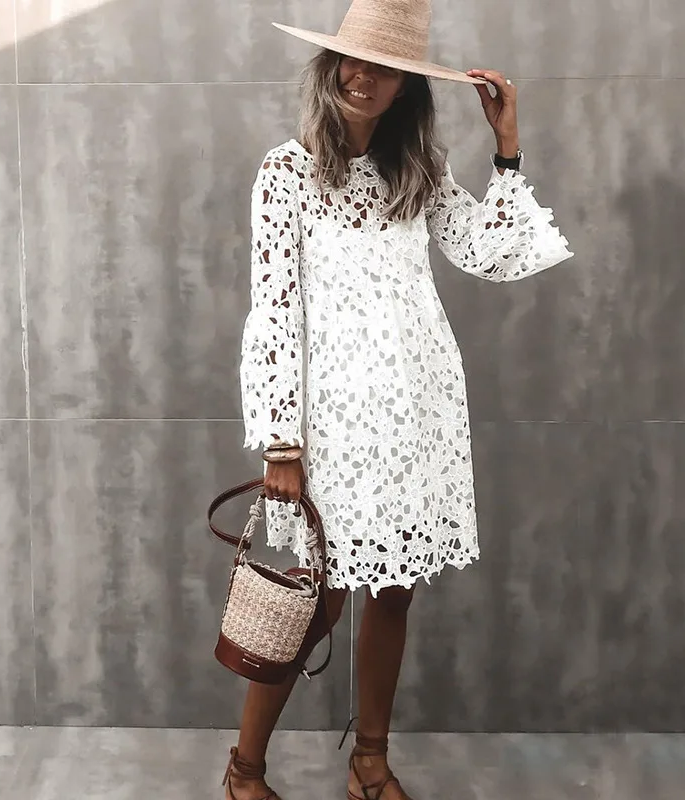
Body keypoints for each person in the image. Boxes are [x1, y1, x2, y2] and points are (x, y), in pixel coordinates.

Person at [226, 1, 573, 798]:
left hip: (418, 415)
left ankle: (370, 763)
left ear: (407, 86)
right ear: (330, 65)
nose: (363, 76)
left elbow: (489, 253)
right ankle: (244, 769)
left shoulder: (418, 172)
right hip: (333, 426)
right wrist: (281, 441)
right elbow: (273, 309)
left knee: (393, 590)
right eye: (353, 60)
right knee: (314, 600)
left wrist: (508, 149)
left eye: (385, 68)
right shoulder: (286, 173)